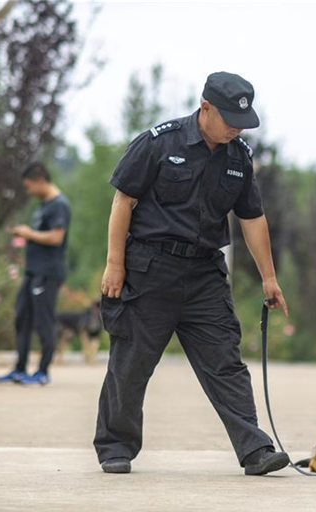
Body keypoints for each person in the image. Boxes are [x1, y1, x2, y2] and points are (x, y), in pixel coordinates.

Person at [93, 72, 290, 476]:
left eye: (243, 122)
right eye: (230, 120)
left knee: (225, 361)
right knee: (130, 363)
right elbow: (123, 201)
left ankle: (255, 449)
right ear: (205, 108)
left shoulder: (239, 157)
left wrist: (269, 278)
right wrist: (115, 264)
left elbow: (252, 218)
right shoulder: (158, 143)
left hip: (204, 275)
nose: (236, 129)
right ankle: (115, 446)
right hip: (150, 269)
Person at [0, 163, 71, 386]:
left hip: (47, 273)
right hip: (33, 272)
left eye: (29, 186)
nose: (28, 191)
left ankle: (42, 372)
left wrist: (28, 233)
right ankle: (19, 369)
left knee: (43, 321)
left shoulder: (59, 205)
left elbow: (57, 238)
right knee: (22, 318)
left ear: (40, 180)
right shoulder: (43, 205)